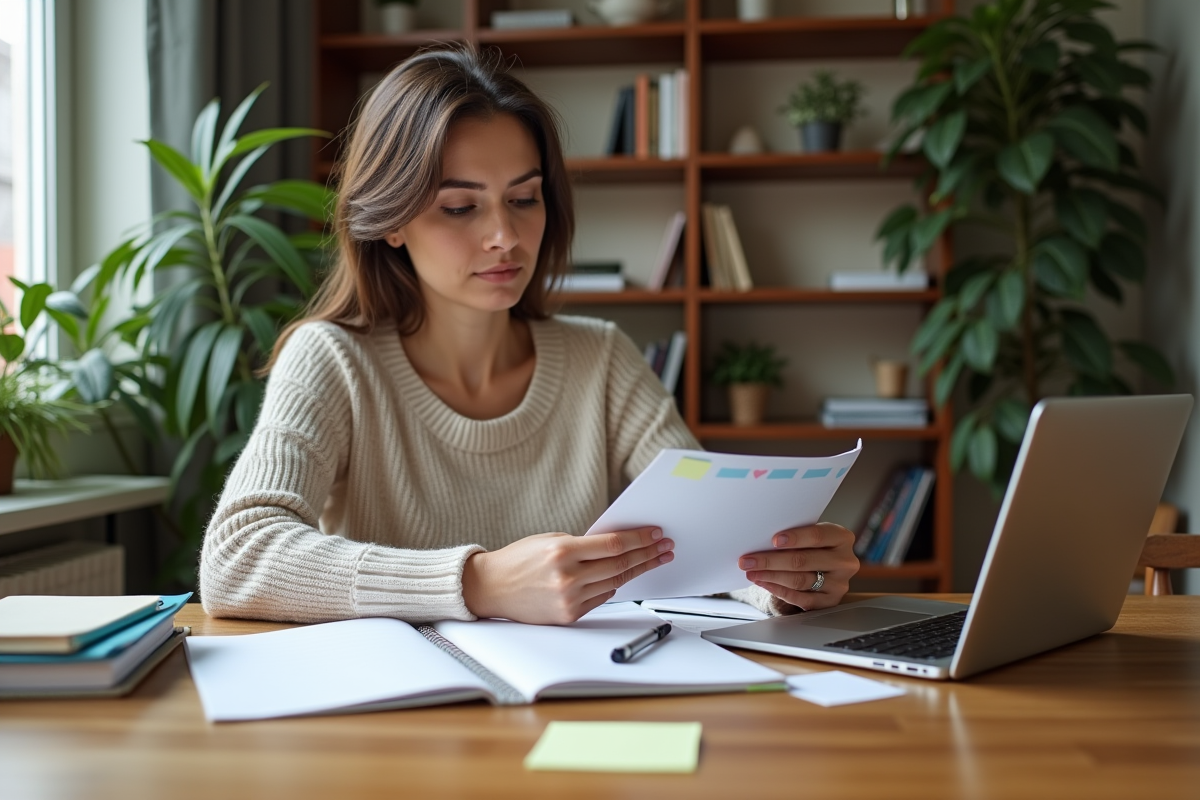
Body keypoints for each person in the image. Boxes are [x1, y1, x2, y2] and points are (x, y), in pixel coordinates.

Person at [199, 45, 859, 625]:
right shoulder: (332, 360)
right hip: (400, 734)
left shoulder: (601, 358)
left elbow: (707, 542)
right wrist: (480, 582)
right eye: (460, 207)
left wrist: (784, 583)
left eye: (524, 199)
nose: (506, 238)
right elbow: (237, 556)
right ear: (391, 221)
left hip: (579, 713)